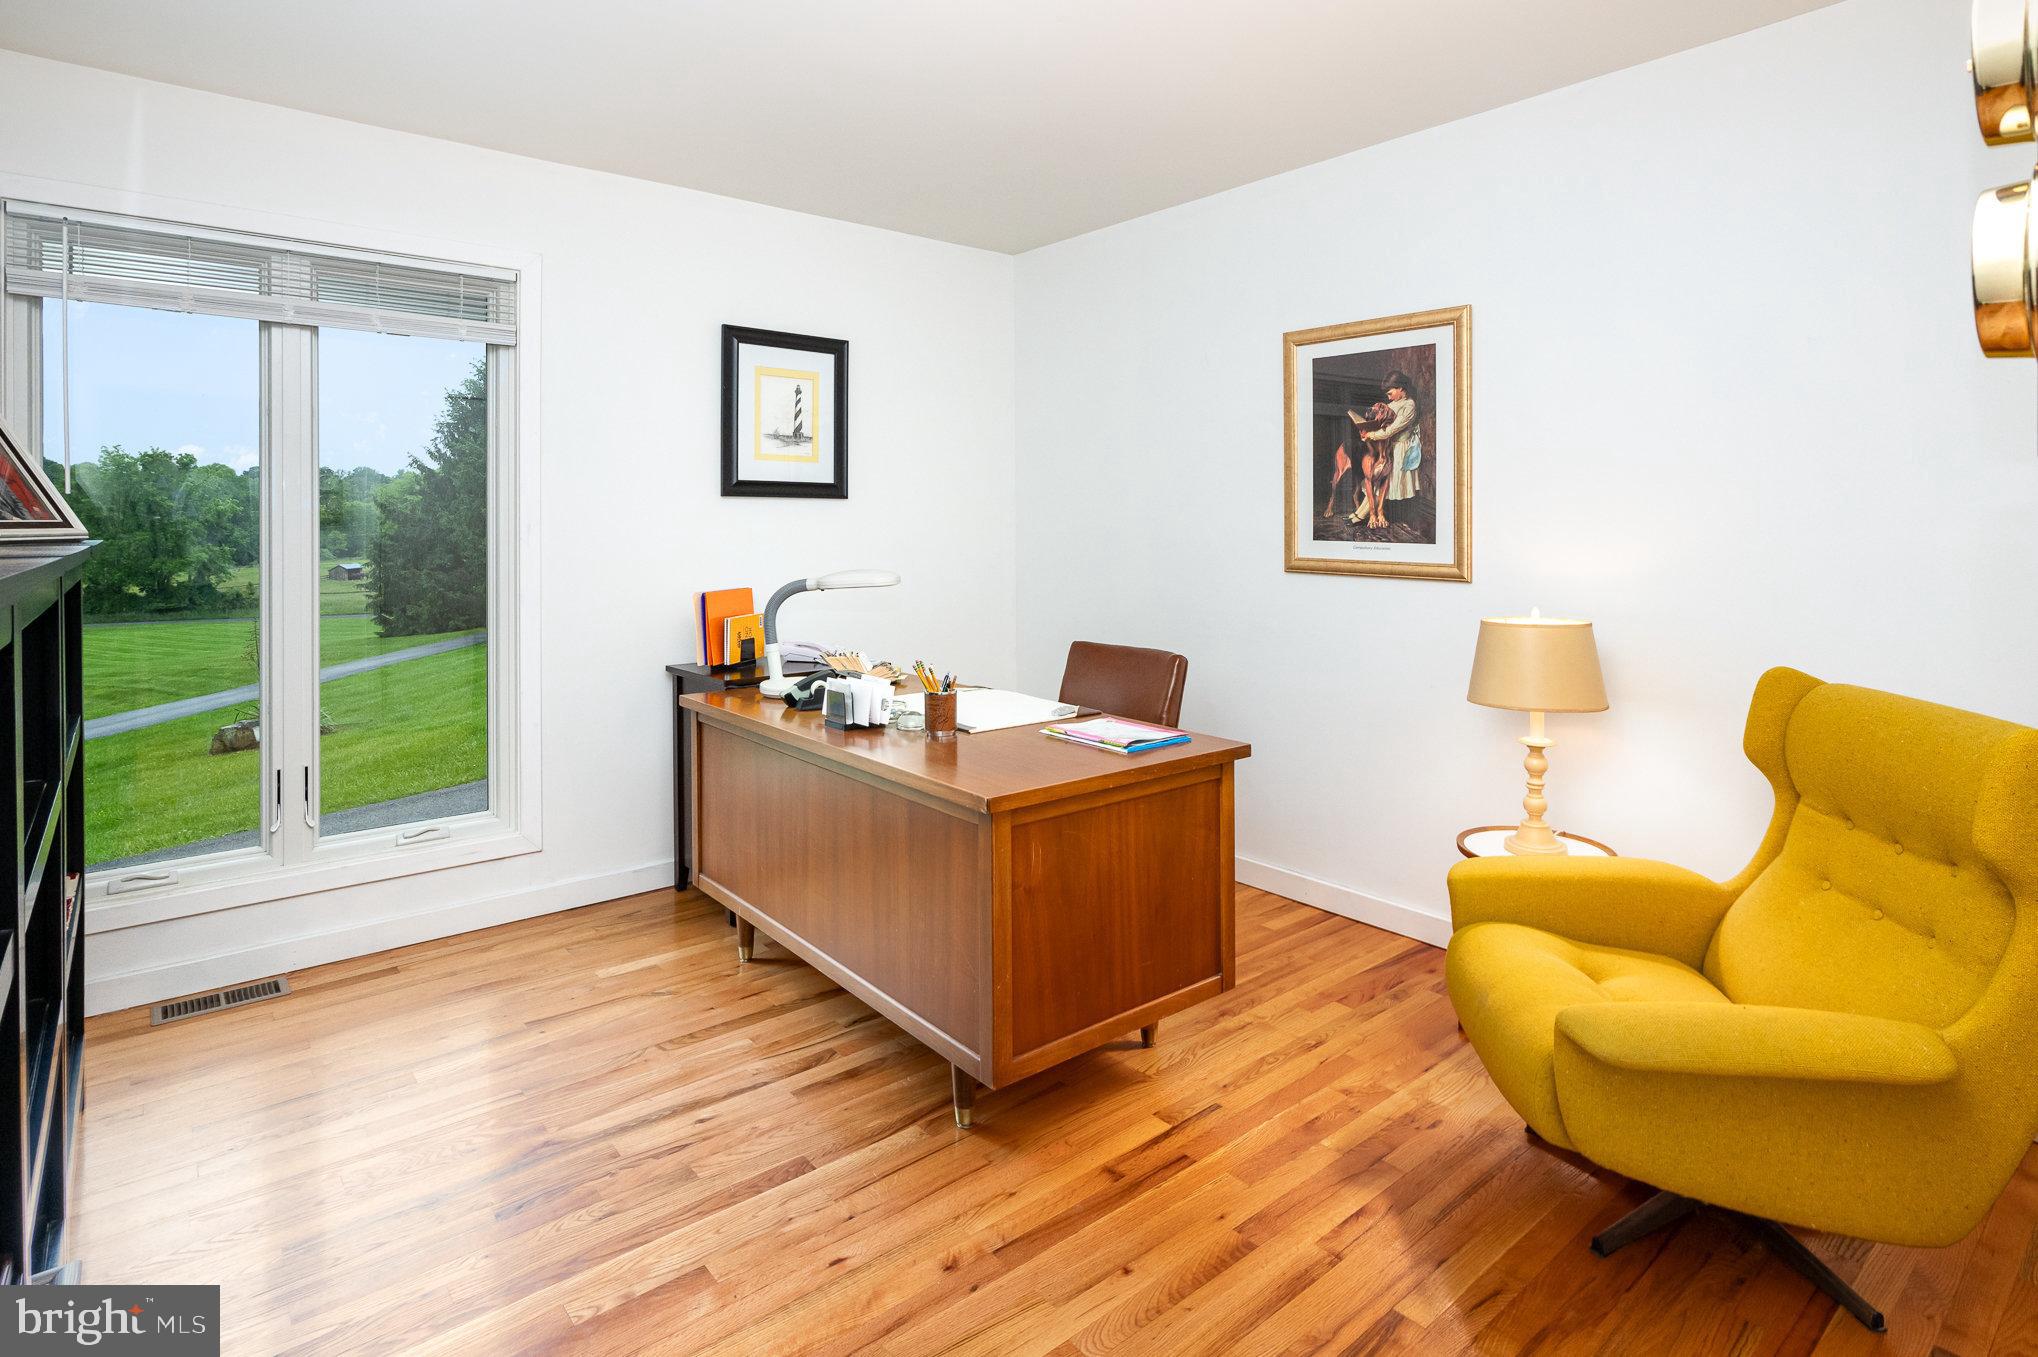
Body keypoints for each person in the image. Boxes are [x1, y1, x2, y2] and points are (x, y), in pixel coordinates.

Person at [1352, 371, 1420, 529]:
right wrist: (1366, 427)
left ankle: (1361, 514)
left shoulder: (1409, 405)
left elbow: (1391, 430)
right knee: (1375, 479)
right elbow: (1380, 421)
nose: (1388, 397)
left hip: (1399, 449)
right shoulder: (1392, 404)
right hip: (1386, 447)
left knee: (1385, 481)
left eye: (1390, 393)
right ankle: (1361, 512)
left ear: (1401, 388)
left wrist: (1372, 435)